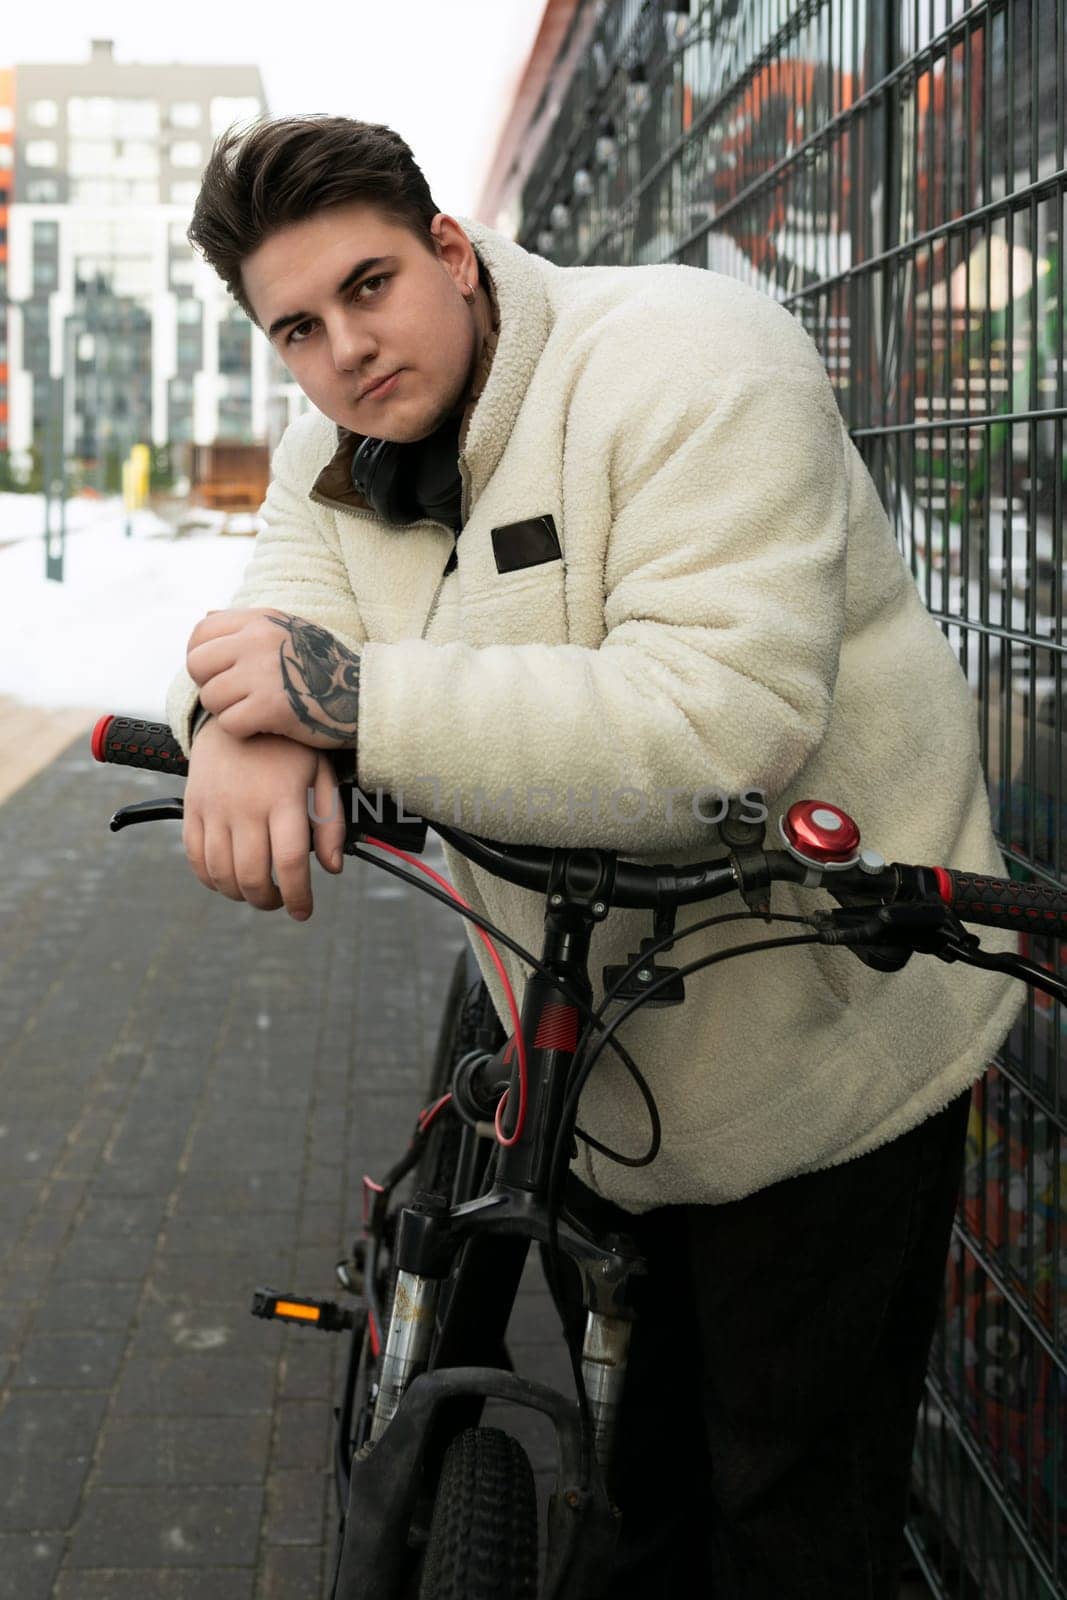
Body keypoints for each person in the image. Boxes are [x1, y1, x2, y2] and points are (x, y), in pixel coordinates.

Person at [168, 115, 1022, 1597]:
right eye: (297, 328)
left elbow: (715, 722)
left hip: (825, 1029)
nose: (346, 352)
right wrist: (238, 732)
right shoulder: (339, 449)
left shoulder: (691, 354)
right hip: (596, 1052)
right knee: (637, 1476)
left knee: (793, 1501)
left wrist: (348, 701)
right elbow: (267, 625)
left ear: (454, 250)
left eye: (370, 285)